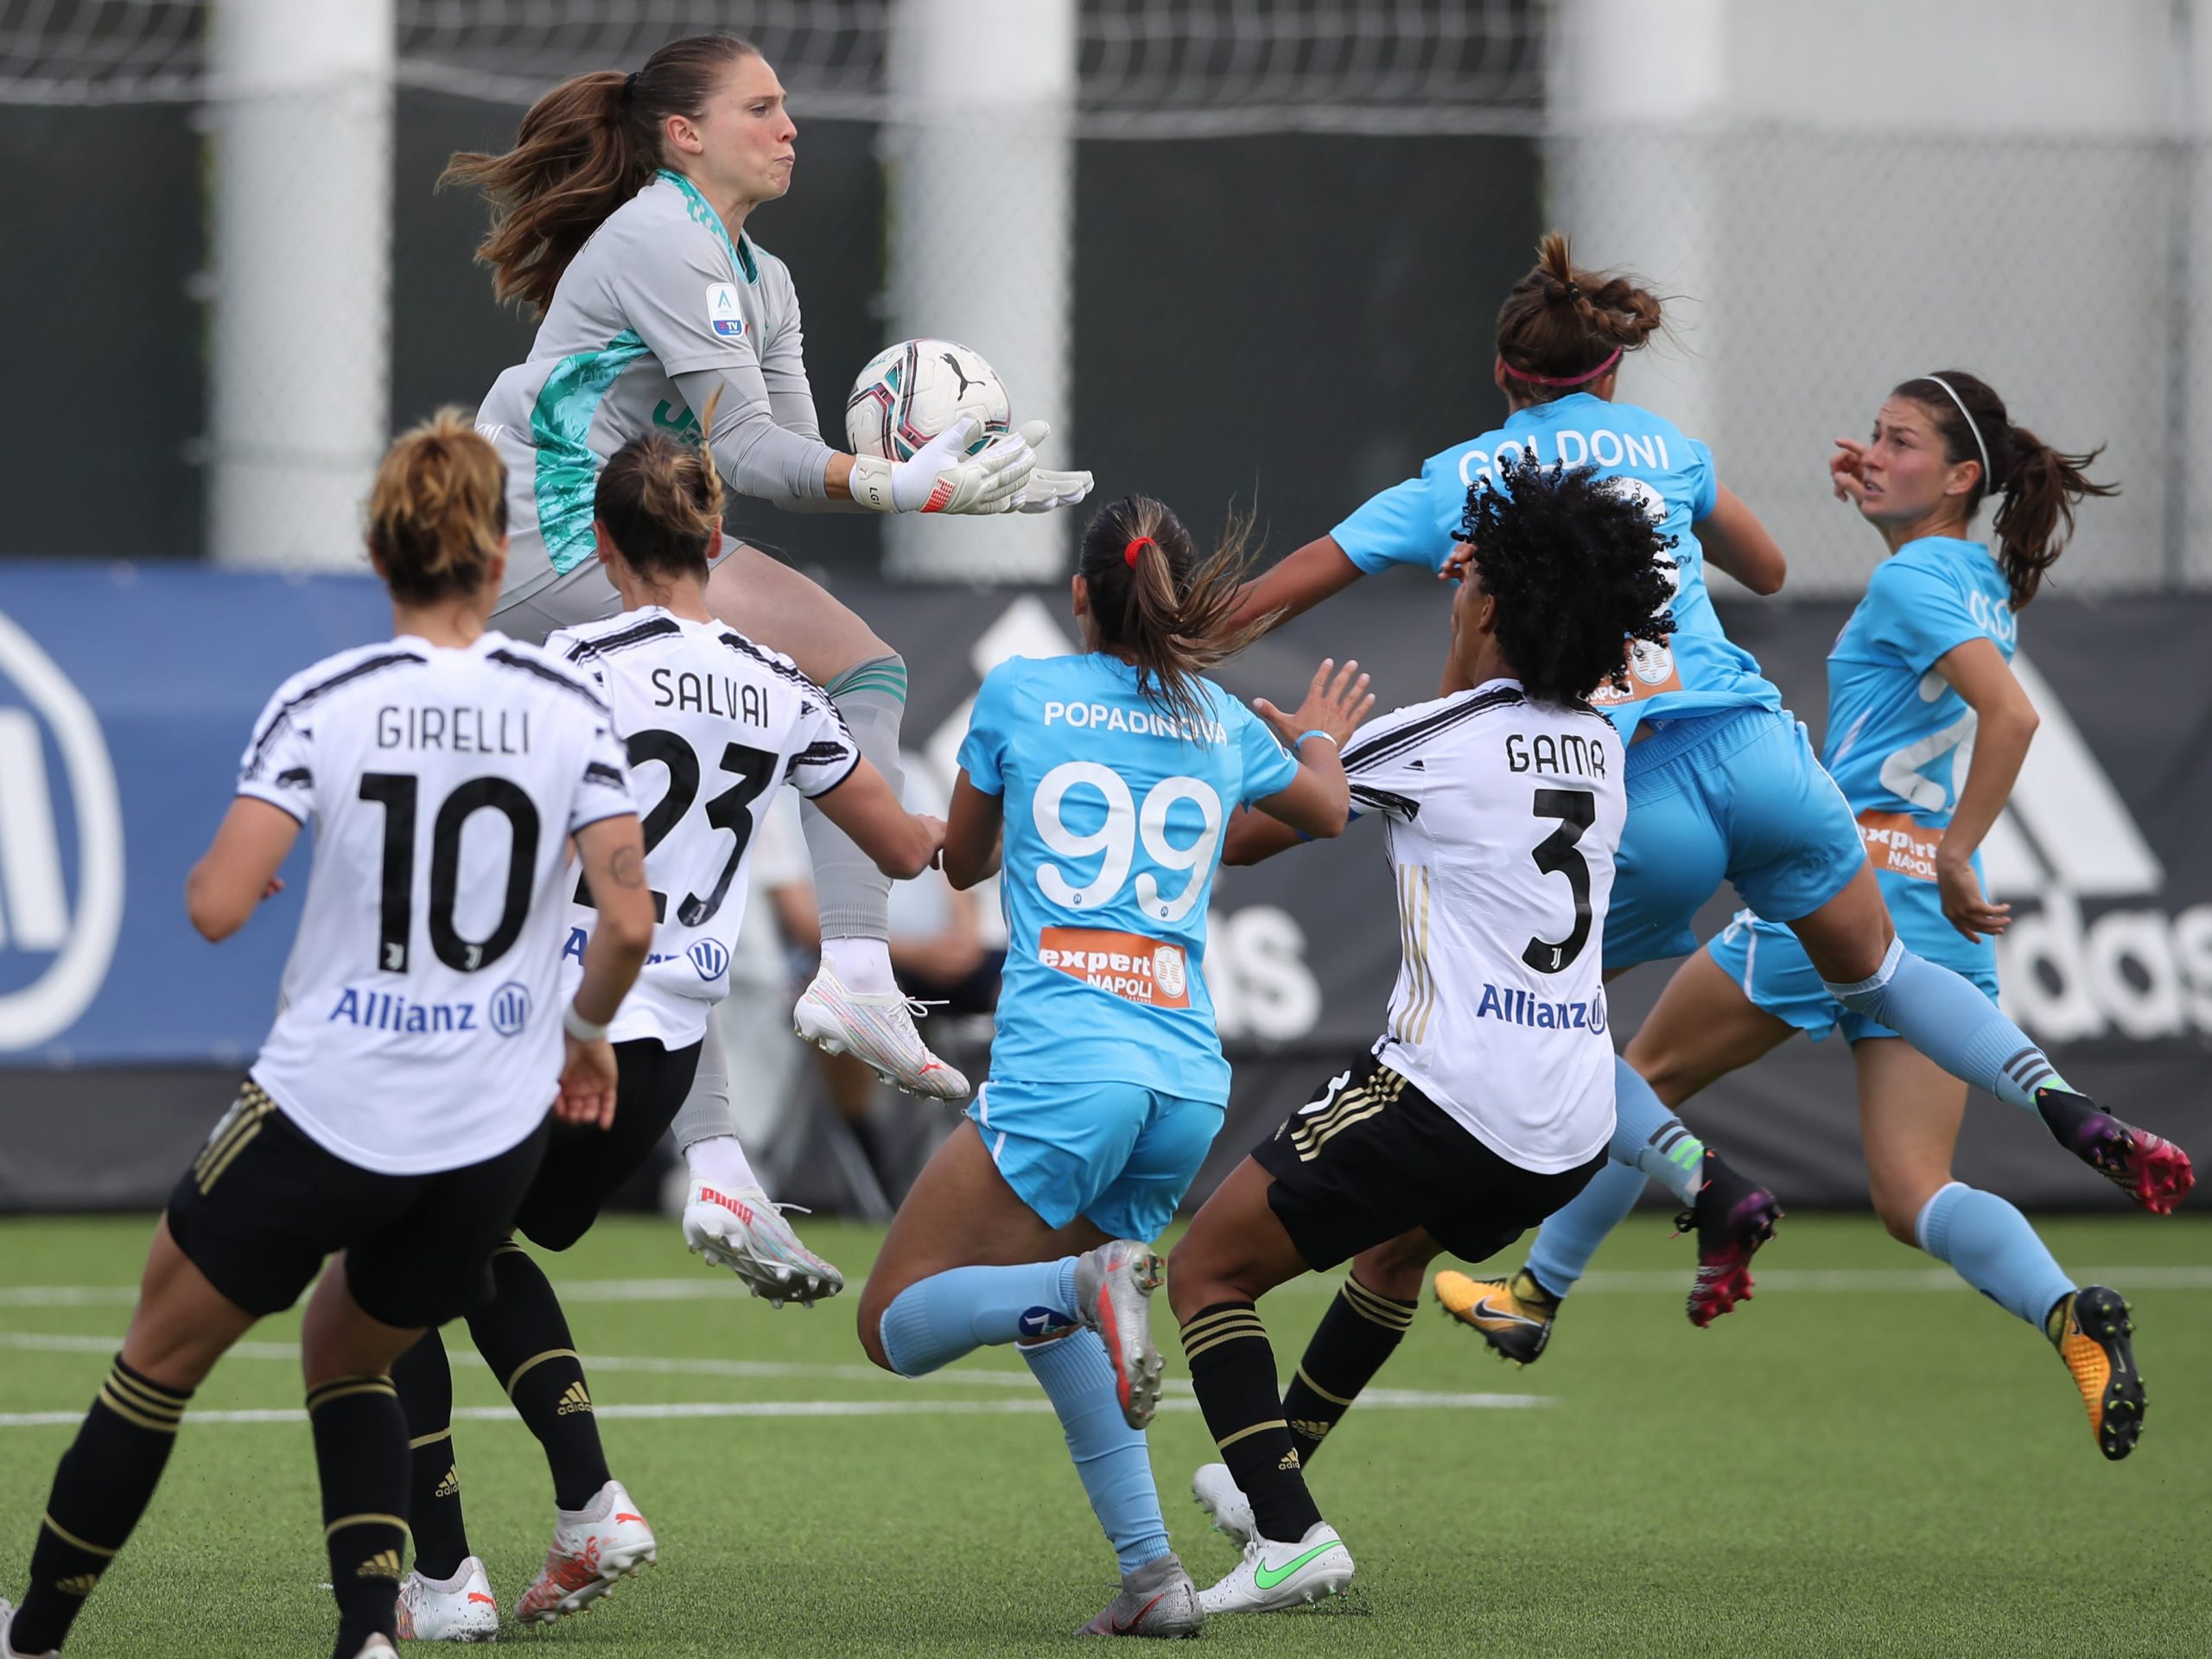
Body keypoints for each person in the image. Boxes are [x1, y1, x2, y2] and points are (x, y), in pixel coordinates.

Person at [1205, 238, 2190, 1442]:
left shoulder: (1459, 475)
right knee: (1884, 984)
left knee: (1567, 1030)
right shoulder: (1671, 448)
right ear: (1613, 370)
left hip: (1638, 780)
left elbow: (1289, 591)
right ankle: (2069, 1108)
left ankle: (1702, 1189)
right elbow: (1766, 569)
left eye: (1899, 443)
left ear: (1499, 372)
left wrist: (1174, 653)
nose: (1876, 454)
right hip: (1771, 765)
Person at [0, 416, 653, 1659]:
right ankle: (369, 1636)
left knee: (157, 1357)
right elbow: (626, 918)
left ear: (378, 551)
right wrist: (584, 1034)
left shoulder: (326, 700)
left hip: (329, 1103)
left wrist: (271, 879)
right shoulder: (567, 707)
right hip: (487, 1130)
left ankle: (31, 1634)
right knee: (350, 1353)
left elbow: (212, 907)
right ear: (500, 549)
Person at [453, 32, 1090, 1132]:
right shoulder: (661, 234)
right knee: (798, 696)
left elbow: (788, 463)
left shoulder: (765, 278)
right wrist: (904, 486)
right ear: (683, 136)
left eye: (784, 106)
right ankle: (842, 982)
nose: (789, 126)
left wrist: (933, 486)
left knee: (850, 680)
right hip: (539, 536)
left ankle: (742, 1129)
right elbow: (742, 452)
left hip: (632, 539)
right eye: (762, 108)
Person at [390, 410, 946, 1637]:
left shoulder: (569, 670)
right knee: (476, 1256)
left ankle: (449, 1575)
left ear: (599, 543)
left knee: (389, 1266)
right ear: (718, 533)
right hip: (663, 1063)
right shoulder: (783, 686)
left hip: (557, 1032)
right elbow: (907, 846)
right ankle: (580, 1512)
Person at [1606, 374, 2158, 1459]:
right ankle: (2066, 1311)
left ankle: (1535, 1290)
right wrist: (1885, 510)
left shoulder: (1917, 579)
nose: (1868, 451)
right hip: (1932, 922)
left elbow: (2011, 715)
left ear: (1961, 478)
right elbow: (1942, 683)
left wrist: (1953, 848)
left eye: (1897, 442)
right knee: (1913, 1195)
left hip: (1856, 888)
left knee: (1640, 1078)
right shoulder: (1967, 575)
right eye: (1870, 435)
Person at [850, 495, 1370, 1638]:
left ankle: (1080, 1287)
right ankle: (1152, 1577)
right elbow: (1327, 809)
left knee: (891, 1321)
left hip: (1068, 1069)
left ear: (1082, 595)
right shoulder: (1215, 713)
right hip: (1185, 1082)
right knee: (1065, 1327)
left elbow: (969, 861)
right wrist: (1318, 733)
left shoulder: (1024, 694)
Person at [1166, 453, 1668, 1615]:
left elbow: (1249, 839)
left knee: (1207, 1269)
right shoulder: (1601, 748)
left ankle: (1288, 1536)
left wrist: (1317, 753)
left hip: (1455, 1093)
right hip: (1575, 1120)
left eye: (1467, 579)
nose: (1454, 590)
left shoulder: (1441, 735)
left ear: (1489, 608)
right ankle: (1267, 1478)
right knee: (1394, 1254)